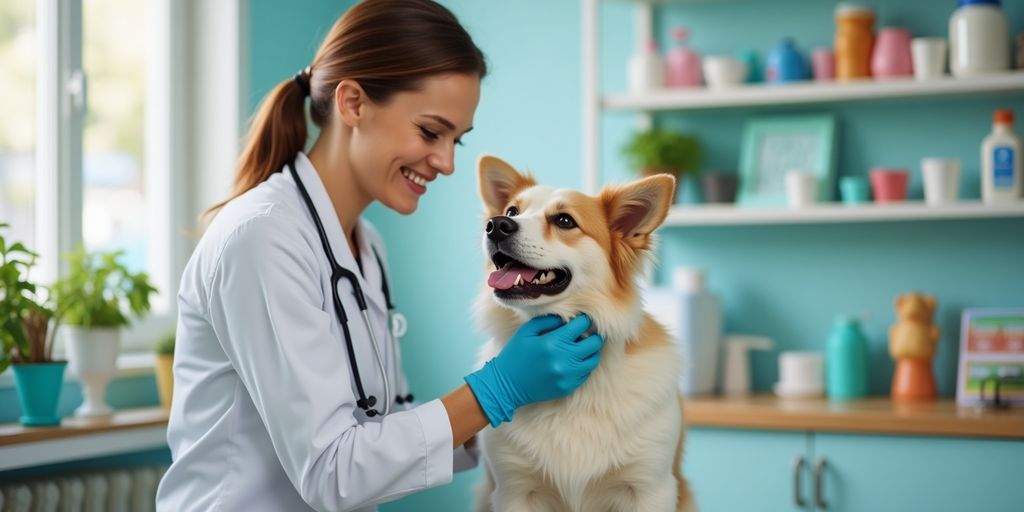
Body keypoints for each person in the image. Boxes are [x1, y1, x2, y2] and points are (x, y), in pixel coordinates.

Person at [154, 1, 605, 511]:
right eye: (431, 132)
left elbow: (381, 431)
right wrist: (495, 389)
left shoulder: (364, 244)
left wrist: (531, 406)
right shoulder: (261, 240)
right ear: (353, 103)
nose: (447, 162)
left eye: (457, 139)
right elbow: (333, 473)